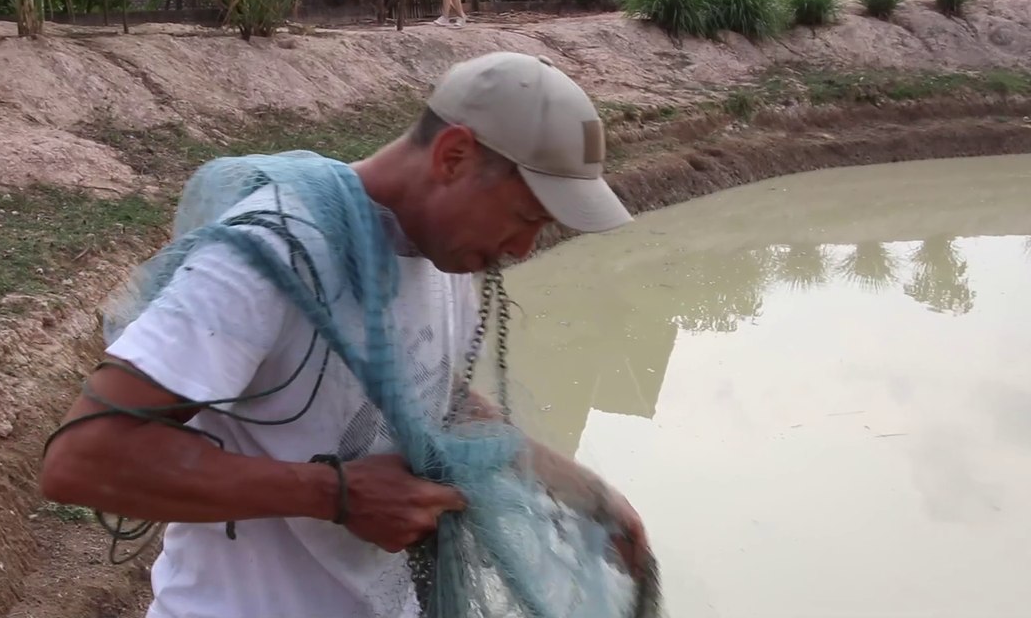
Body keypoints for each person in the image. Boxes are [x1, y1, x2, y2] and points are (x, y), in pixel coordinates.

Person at [39, 51, 647, 618]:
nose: (522, 249)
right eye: (525, 217)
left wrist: (584, 494)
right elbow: (83, 458)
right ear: (454, 156)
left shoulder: (444, 258)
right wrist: (333, 494)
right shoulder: (272, 252)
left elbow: (433, 397)